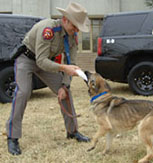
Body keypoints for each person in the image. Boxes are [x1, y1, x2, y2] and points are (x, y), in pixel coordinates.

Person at [6, 2, 91, 155]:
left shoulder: (73, 36)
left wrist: (64, 85)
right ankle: (12, 137)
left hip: (47, 63)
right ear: (65, 20)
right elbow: (41, 61)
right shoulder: (48, 30)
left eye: (79, 27)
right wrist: (64, 68)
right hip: (27, 59)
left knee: (66, 92)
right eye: (75, 25)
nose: (76, 30)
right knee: (23, 93)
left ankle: (72, 131)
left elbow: (71, 63)